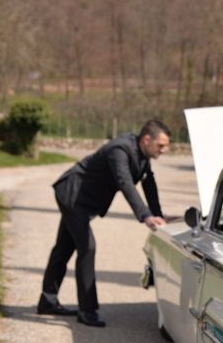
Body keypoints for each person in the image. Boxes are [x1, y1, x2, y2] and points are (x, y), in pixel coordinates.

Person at [37, 119, 171, 327]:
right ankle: (87, 311)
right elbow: (124, 182)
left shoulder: (143, 156)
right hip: (73, 195)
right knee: (87, 248)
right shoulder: (119, 150)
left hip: (82, 201)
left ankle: (47, 301)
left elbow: (149, 185)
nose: (164, 150)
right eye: (161, 145)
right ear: (147, 139)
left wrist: (159, 216)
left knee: (63, 249)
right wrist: (145, 216)